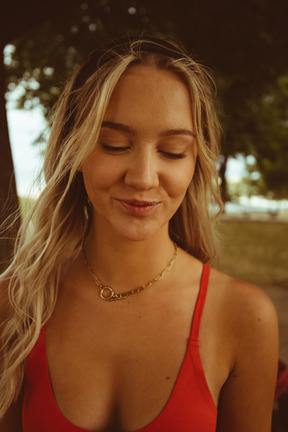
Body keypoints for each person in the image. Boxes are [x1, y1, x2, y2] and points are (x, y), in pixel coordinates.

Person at [0, 35, 279, 432]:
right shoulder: (15, 305)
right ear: (73, 150)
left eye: (173, 151)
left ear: (196, 163)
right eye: (114, 145)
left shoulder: (244, 317)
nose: (144, 178)